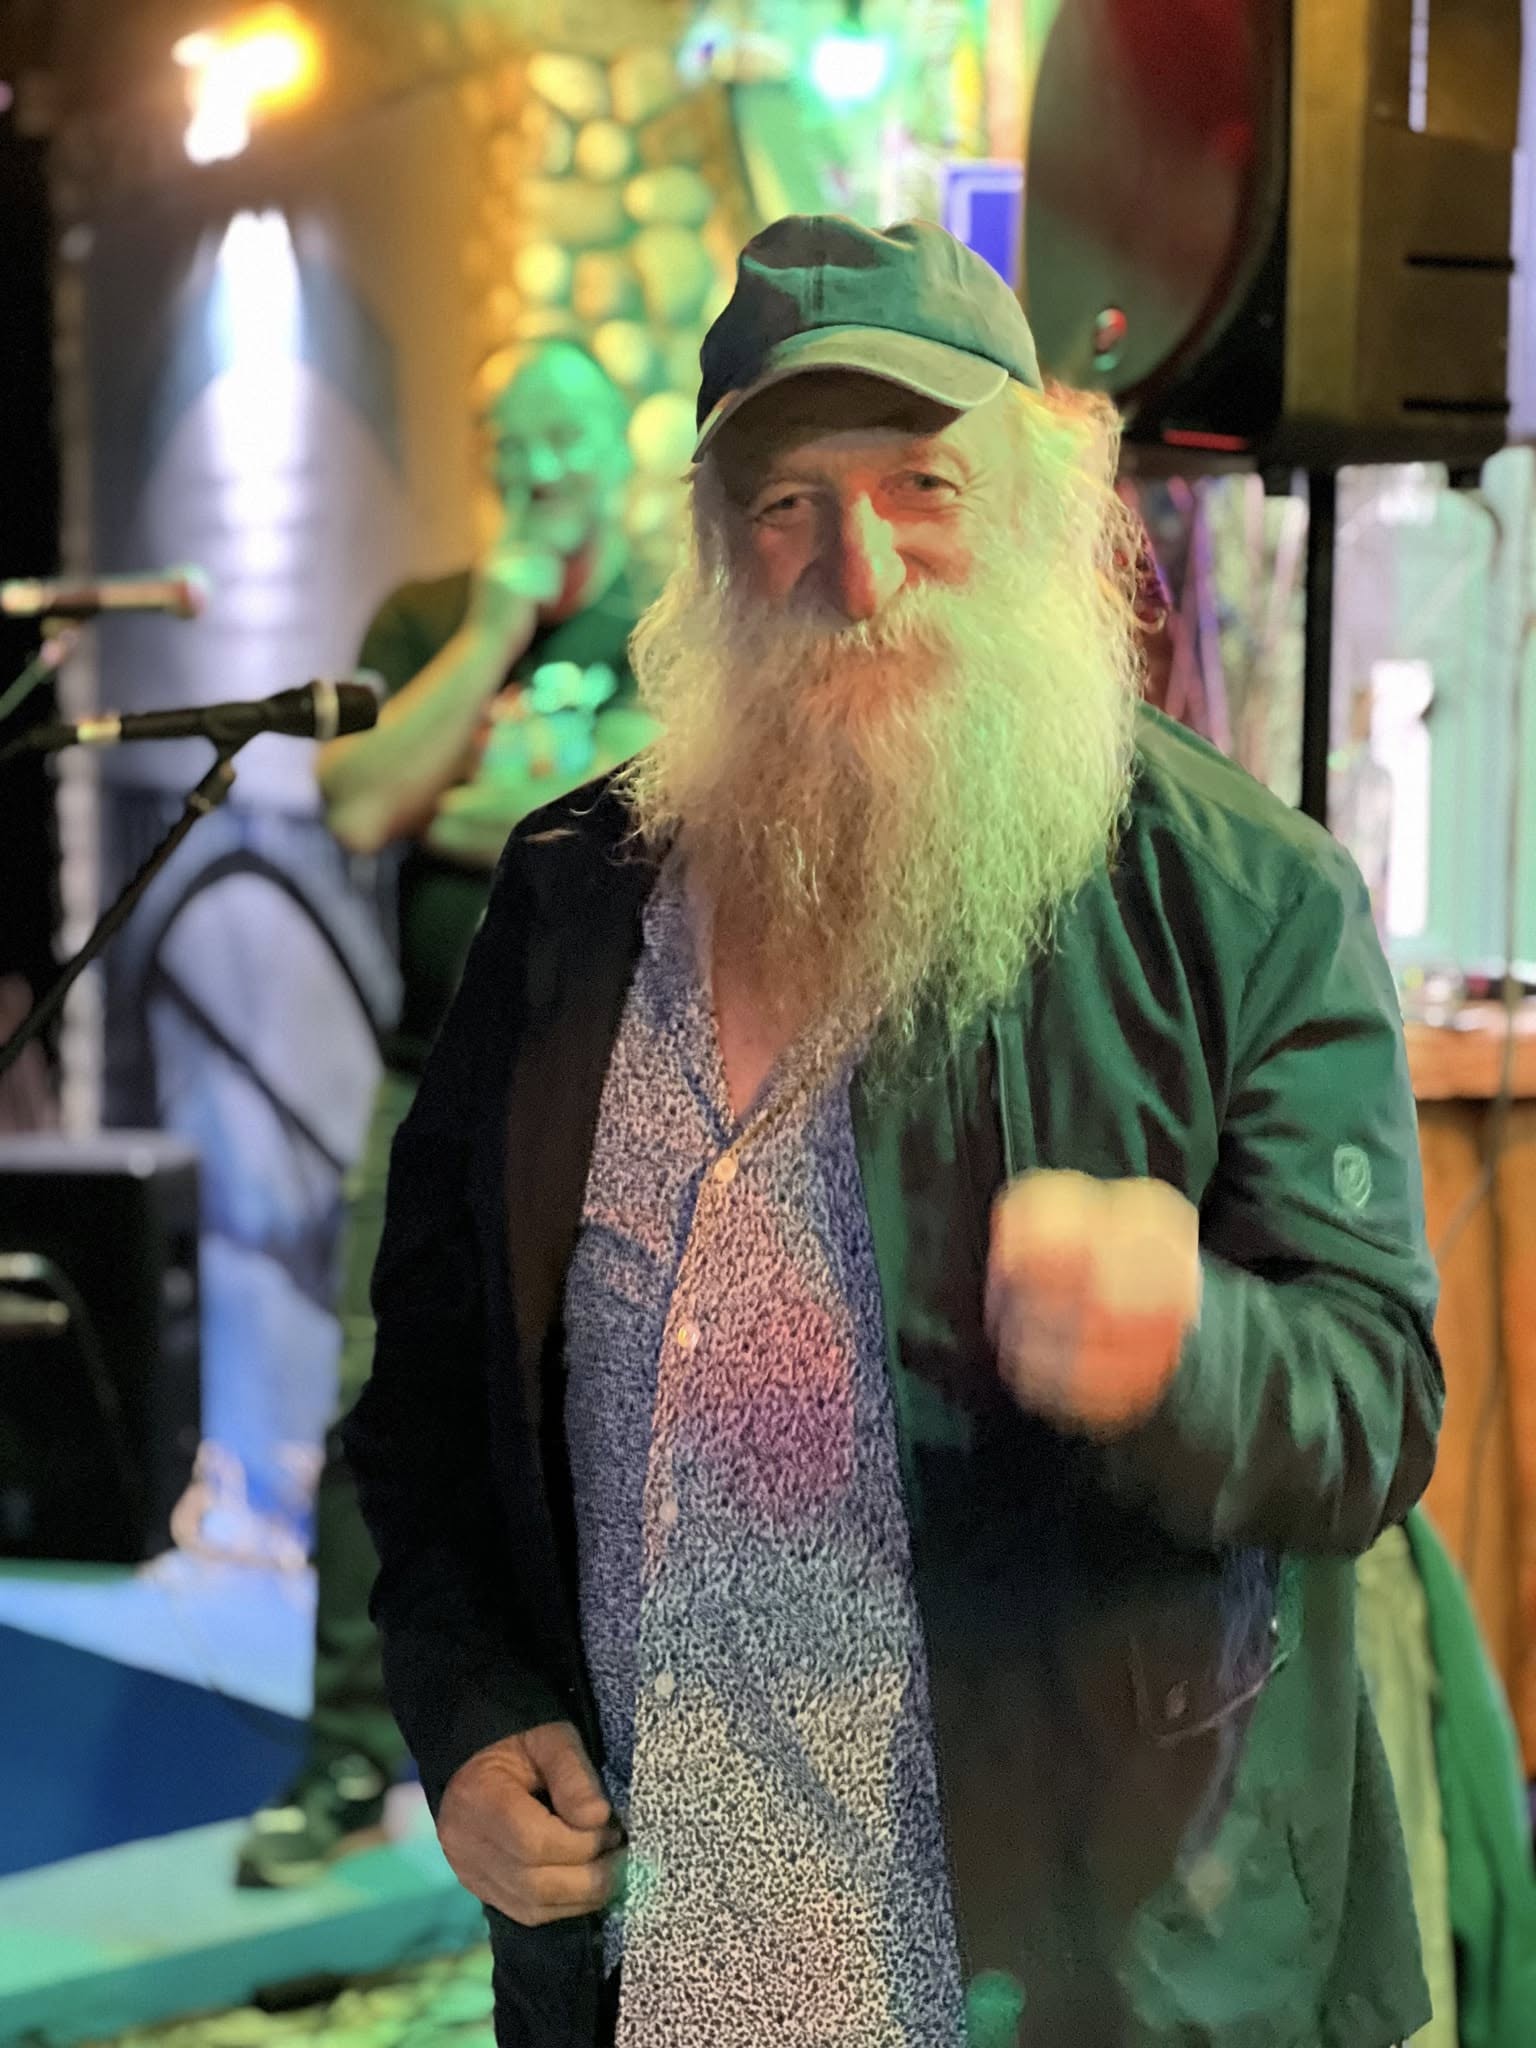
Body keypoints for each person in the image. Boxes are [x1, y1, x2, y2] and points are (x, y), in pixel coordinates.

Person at [343, 216, 1444, 2048]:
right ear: (715, 546)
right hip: (660, 1981)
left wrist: (1192, 1348)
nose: (857, 571)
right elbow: (430, 1405)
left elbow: (1378, 1411)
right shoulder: (569, 908)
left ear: (1039, 502)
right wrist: (464, 1713)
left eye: (922, 486)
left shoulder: (1244, 902)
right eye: (788, 505)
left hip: (1098, 1980)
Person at [236, 338, 653, 1887]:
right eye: (513, 442)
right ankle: (355, 1751)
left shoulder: (670, 618)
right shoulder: (428, 619)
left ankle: (602, 1750)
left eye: (567, 435)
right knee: (382, 1406)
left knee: (602, 1413)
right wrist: (491, 633)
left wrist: (482, 804)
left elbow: (661, 811)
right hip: (432, 1092)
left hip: (622, 1099)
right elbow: (362, 799)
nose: (542, 468)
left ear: (617, 447)